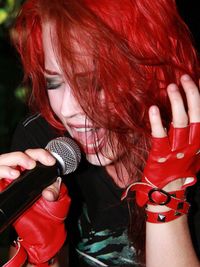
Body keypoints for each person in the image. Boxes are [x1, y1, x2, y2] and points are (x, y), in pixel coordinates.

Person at [0, 0, 200, 266]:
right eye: (54, 81)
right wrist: (43, 255)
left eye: (92, 82)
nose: (67, 108)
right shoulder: (40, 144)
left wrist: (166, 200)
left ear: (148, 73)